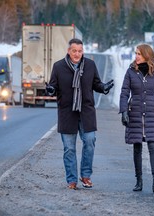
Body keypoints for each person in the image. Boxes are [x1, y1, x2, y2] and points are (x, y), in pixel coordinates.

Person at [46, 38, 114, 190]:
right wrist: (51, 90)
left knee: (90, 141)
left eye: (80, 51)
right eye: (74, 51)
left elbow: (96, 84)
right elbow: (53, 86)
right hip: (67, 113)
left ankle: (86, 176)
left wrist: (103, 88)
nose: (77, 54)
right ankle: (71, 180)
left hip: (86, 112)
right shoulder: (58, 67)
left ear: (83, 51)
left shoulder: (90, 65)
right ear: (68, 51)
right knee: (69, 148)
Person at [119, 44, 154, 193]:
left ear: (147, 55)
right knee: (137, 146)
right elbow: (124, 93)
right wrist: (123, 111)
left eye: (139, 54)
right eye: (136, 53)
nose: (136, 56)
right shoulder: (130, 72)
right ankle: (139, 181)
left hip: (152, 113)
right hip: (134, 112)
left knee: (152, 145)